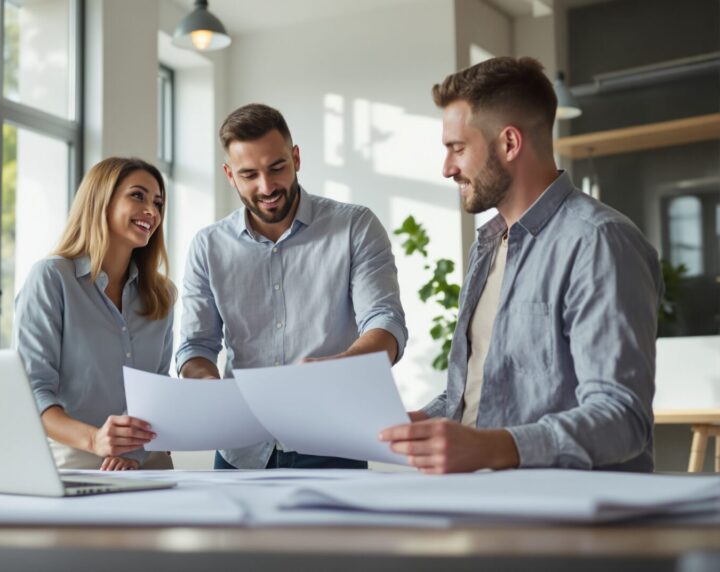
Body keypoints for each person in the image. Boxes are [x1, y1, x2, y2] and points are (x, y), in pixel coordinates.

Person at [380, 56, 660, 474]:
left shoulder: (599, 242)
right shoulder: (487, 246)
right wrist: (422, 422)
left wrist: (496, 448)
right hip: (485, 500)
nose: (446, 168)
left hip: (566, 515)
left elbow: (623, 417)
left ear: (509, 144)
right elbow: (484, 389)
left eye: (457, 148)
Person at [177, 103, 408, 470]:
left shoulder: (355, 227)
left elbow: (386, 323)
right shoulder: (208, 246)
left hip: (333, 442)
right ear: (229, 175)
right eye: (249, 174)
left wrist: (339, 368)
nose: (266, 187)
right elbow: (194, 346)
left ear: (296, 158)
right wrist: (210, 389)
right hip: (241, 451)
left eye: (277, 168)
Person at [15, 157, 174, 471]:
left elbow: (158, 386)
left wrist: (136, 448)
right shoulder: (52, 278)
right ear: (101, 199)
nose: (152, 212)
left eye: (157, 202)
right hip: (76, 461)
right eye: (137, 196)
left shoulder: (162, 293)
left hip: (148, 463)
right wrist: (96, 440)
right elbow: (31, 392)